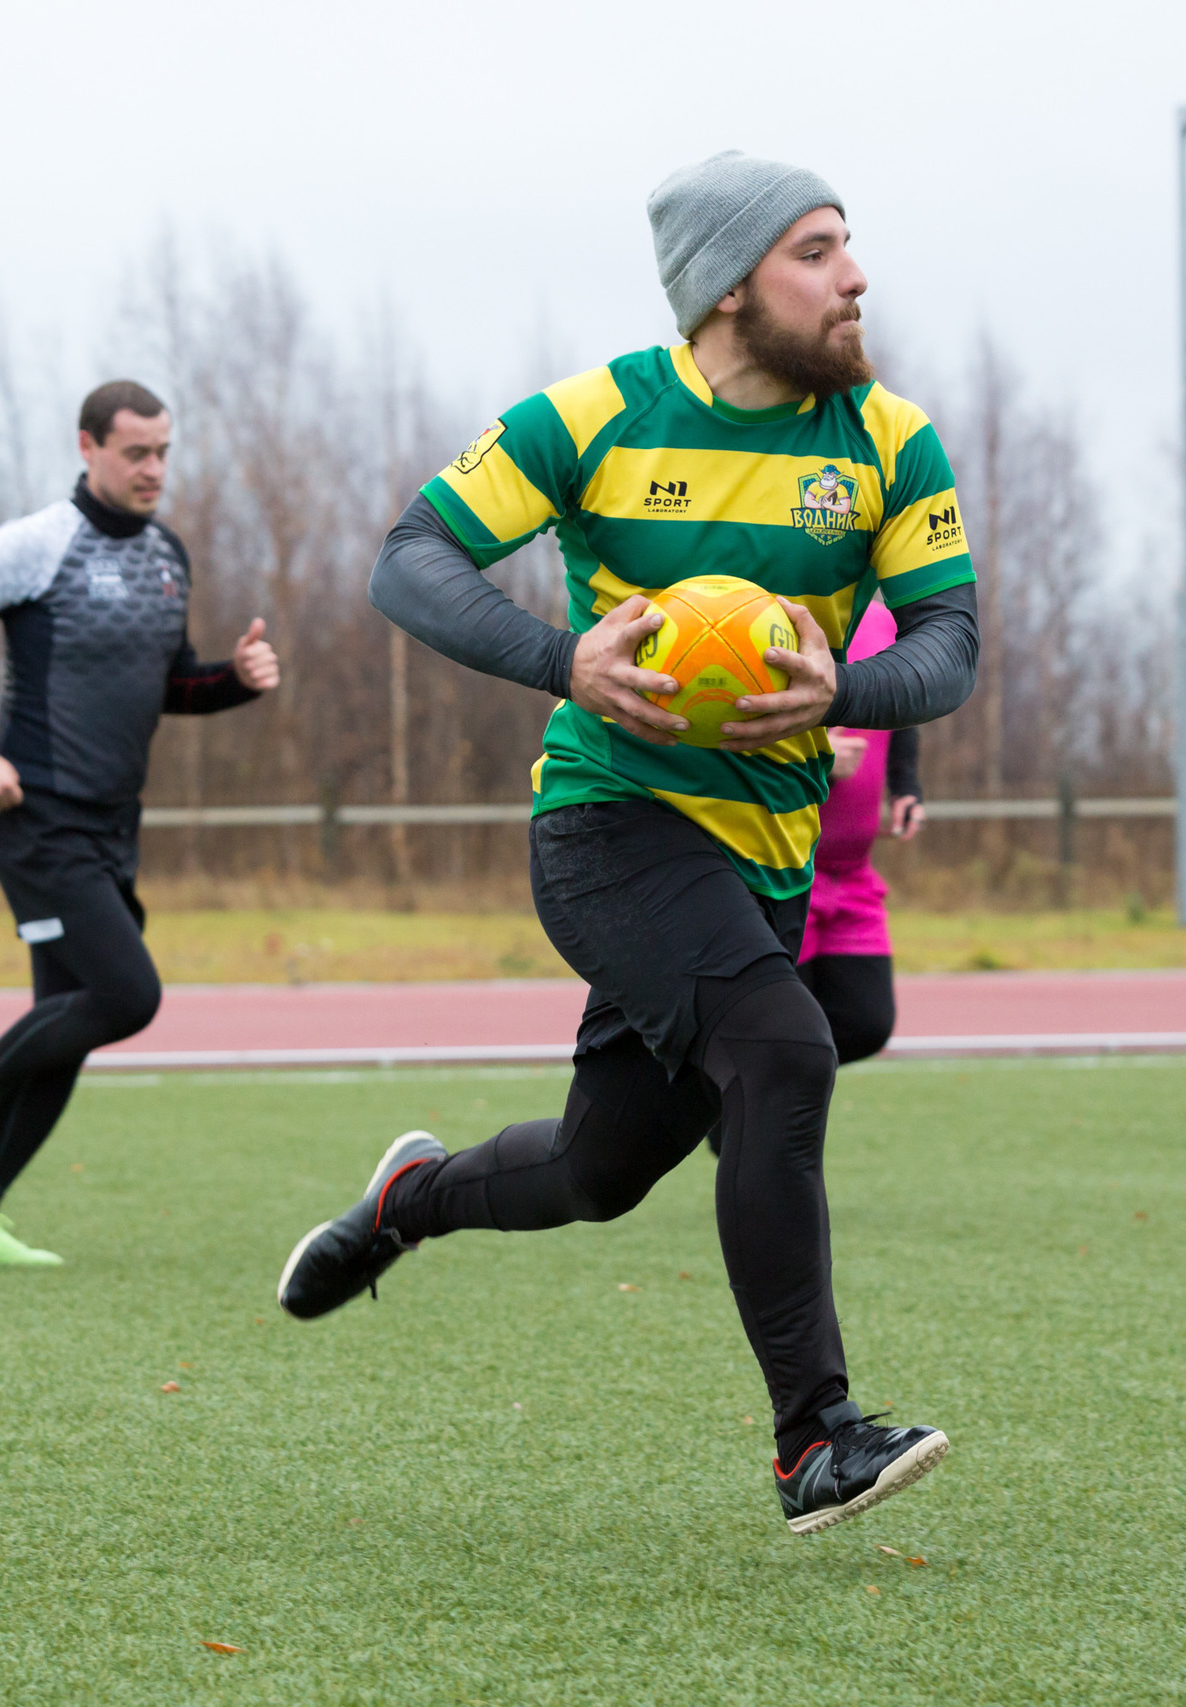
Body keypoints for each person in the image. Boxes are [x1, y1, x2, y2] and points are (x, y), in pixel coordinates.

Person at [277, 151, 979, 1536]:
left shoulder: (891, 436)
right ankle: (814, 1440)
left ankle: (409, 1199)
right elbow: (410, 558)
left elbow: (950, 644)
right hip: (609, 826)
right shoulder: (595, 413)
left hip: (762, 859)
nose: (855, 276)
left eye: (851, 246)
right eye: (818, 251)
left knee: (600, 1170)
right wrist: (562, 660)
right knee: (785, 1044)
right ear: (729, 286)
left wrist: (850, 688)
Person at [0, 380, 277, 1266]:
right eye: (135, 452)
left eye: (164, 451)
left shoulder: (166, 554)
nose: (153, 469)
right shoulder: (36, 544)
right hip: (36, 813)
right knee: (125, 995)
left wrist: (234, 679)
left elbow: (169, 683)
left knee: (64, 1023)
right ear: (88, 447)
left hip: (113, 824)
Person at [799, 598, 927, 1065]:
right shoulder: (778, 611)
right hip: (784, 872)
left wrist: (905, 785)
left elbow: (902, 708)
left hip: (853, 875)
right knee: (788, 1034)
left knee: (866, 1021)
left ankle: (745, 1100)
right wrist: (816, 755)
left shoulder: (884, 620)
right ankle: (739, 1118)